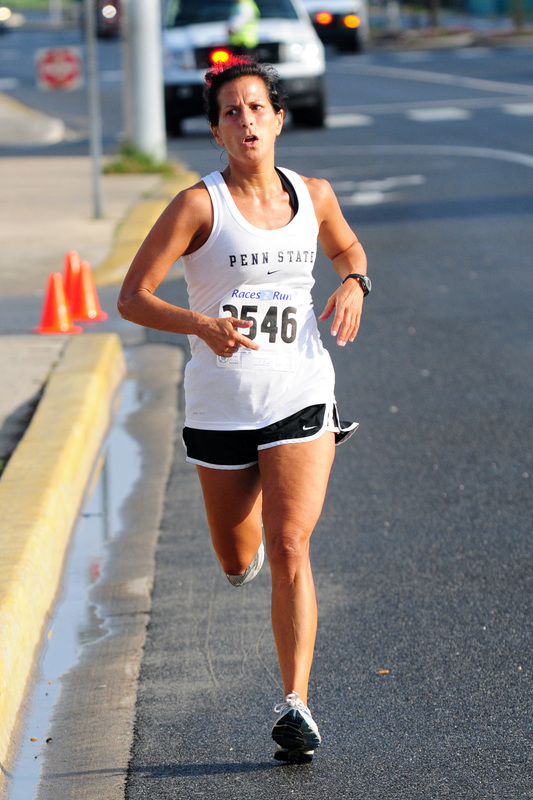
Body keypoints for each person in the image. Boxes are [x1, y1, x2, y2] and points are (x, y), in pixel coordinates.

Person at [117, 56, 370, 764]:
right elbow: (132, 297)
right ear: (215, 130)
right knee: (239, 556)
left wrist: (354, 280)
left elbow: (346, 245)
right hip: (221, 407)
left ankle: (296, 703)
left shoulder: (313, 194)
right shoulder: (198, 206)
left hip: (297, 391)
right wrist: (200, 325)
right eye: (231, 112)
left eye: (257, 108)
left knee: (293, 543)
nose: (246, 121)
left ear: (278, 118)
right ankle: (242, 552)